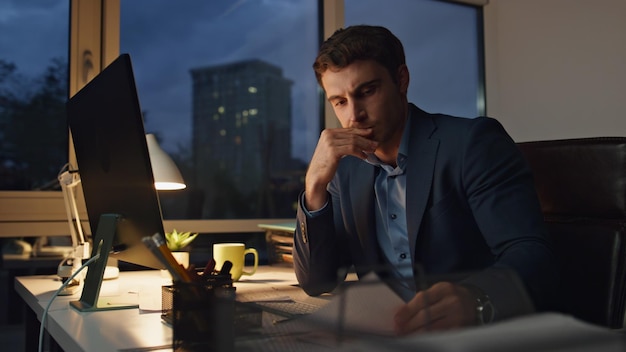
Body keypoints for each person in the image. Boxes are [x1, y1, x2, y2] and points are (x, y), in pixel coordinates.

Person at [293, 25, 558, 335]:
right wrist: (314, 187)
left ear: (401, 80)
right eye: (339, 101)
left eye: (366, 92)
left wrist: (476, 299)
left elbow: (531, 252)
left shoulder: (471, 143)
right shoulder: (347, 170)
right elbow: (317, 281)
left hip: (475, 335)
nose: (354, 116)